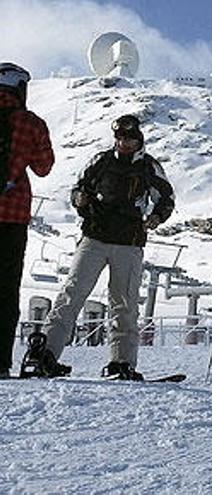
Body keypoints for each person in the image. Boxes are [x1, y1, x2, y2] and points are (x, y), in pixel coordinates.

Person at [20, 114, 174, 380]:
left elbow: (166, 197)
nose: (123, 143)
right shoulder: (101, 161)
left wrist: (157, 216)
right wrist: (79, 199)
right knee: (71, 294)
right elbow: (79, 188)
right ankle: (45, 354)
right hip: (94, 237)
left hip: (129, 242)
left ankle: (121, 362)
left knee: (124, 303)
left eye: (129, 139)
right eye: (120, 138)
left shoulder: (149, 167)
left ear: (139, 140)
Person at [0, 63, 54, 379]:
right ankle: (0, 362)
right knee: (6, 290)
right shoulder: (31, 123)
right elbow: (44, 166)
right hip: (12, 216)